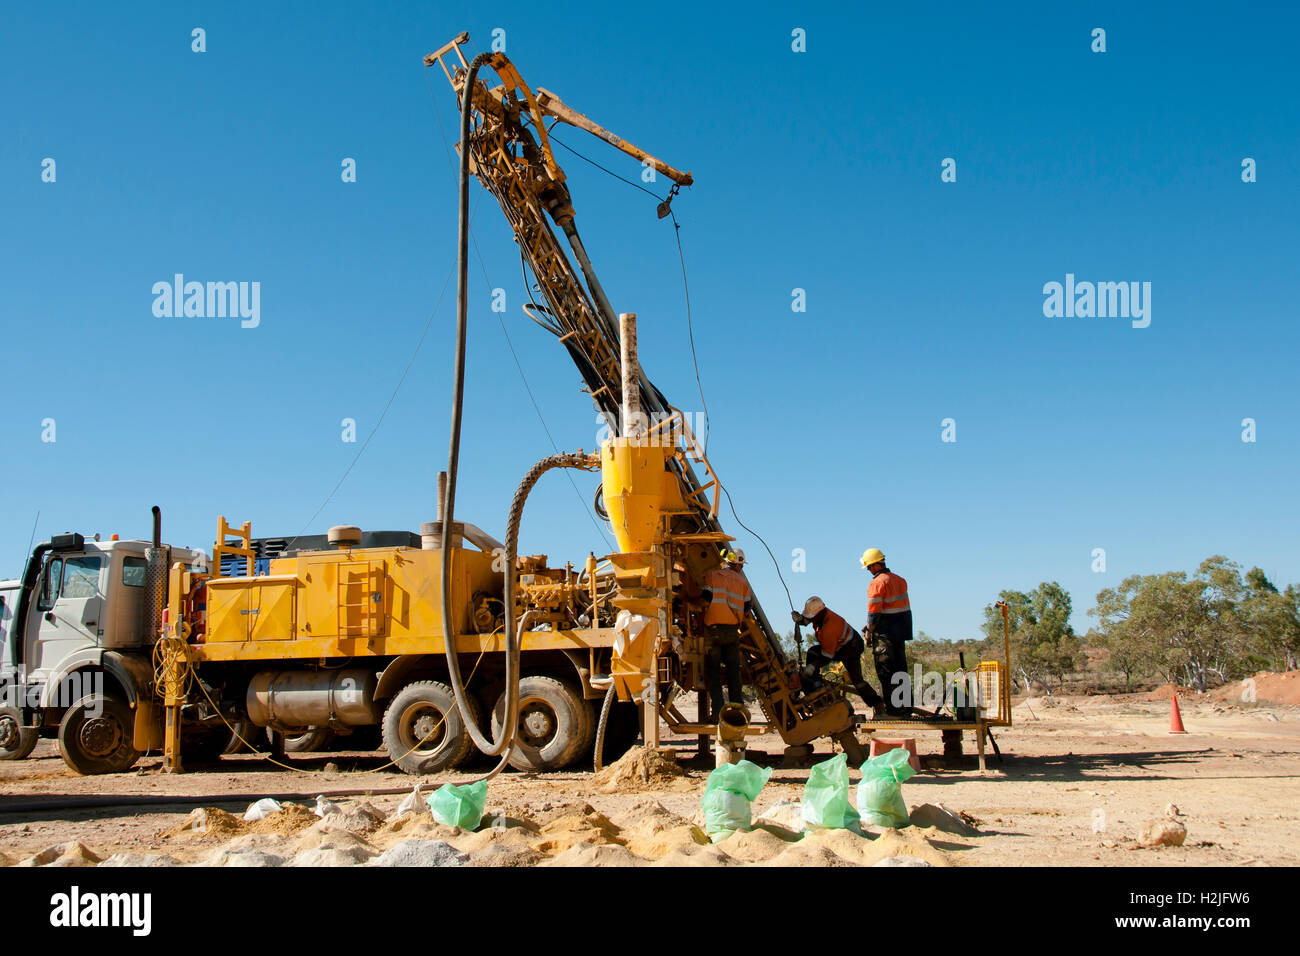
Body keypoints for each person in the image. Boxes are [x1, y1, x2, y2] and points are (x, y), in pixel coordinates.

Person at [791, 596, 883, 710]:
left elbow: (827, 656)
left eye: (811, 617)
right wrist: (800, 619)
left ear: (818, 614)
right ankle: (815, 688)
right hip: (840, 646)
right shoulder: (820, 616)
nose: (810, 620)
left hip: (851, 648)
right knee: (812, 653)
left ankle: (878, 705)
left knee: (857, 680)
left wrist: (812, 667)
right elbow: (808, 620)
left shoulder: (830, 626)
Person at [698, 549, 752, 720]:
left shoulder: (712, 576)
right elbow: (747, 608)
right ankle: (737, 711)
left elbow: (705, 600)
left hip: (713, 632)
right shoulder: (744, 583)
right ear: (738, 565)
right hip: (732, 632)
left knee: (713, 671)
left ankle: (718, 712)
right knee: (733, 672)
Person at [860, 548, 913, 716]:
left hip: (885, 635)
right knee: (901, 671)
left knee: (886, 673)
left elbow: (874, 614)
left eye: (869, 567)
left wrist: (869, 633)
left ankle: (893, 710)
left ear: (876, 565)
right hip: (900, 634)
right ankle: (906, 708)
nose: (868, 570)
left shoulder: (877, 583)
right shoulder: (900, 580)